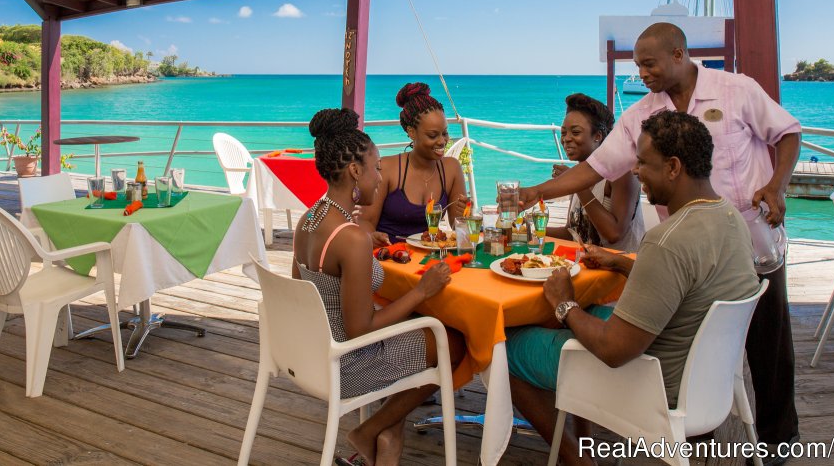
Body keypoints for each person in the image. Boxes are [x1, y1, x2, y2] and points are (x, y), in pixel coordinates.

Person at [519, 22, 801, 460]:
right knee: (699, 340)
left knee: (771, 357)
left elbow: (787, 134)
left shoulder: (736, 90)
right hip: (697, 254)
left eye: (649, 63)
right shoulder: (642, 117)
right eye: (638, 65)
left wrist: (777, 186)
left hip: (753, 243)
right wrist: (535, 193)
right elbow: (596, 167)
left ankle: (778, 447)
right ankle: (697, 426)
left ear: (678, 54)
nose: (643, 72)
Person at [507, 111, 761, 466]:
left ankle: (576, 460)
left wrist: (565, 305)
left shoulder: (667, 241)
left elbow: (613, 351)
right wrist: (624, 263)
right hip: (705, 377)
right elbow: (693, 278)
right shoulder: (731, 217)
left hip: (651, 384)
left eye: (643, 162)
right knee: (560, 320)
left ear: (673, 167)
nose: (636, 170)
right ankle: (582, 438)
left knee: (504, 349)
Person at [293, 107, 465, 466]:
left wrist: (363, 253)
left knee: (422, 326)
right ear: (355, 171)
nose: (379, 176)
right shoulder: (350, 238)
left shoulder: (309, 219)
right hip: (349, 364)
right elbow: (360, 329)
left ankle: (388, 433)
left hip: (312, 354)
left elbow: (305, 295)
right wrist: (422, 290)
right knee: (455, 342)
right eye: (376, 168)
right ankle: (370, 430)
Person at [358, 83, 468, 245]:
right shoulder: (388, 168)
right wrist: (371, 237)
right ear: (411, 132)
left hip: (428, 259)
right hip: (390, 257)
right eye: (432, 135)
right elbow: (365, 222)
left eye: (444, 133)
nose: (442, 141)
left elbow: (457, 227)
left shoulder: (451, 168)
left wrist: (463, 215)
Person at [547, 93, 644, 252]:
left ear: (598, 136)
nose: (566, 139)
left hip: (620, 271)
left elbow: (614, 234)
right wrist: (529, 232)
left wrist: (576, 185)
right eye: (563, 133)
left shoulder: (620, 171)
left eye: (575, 132)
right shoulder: (579, 173)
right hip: (589, 265)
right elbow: (573, 233)